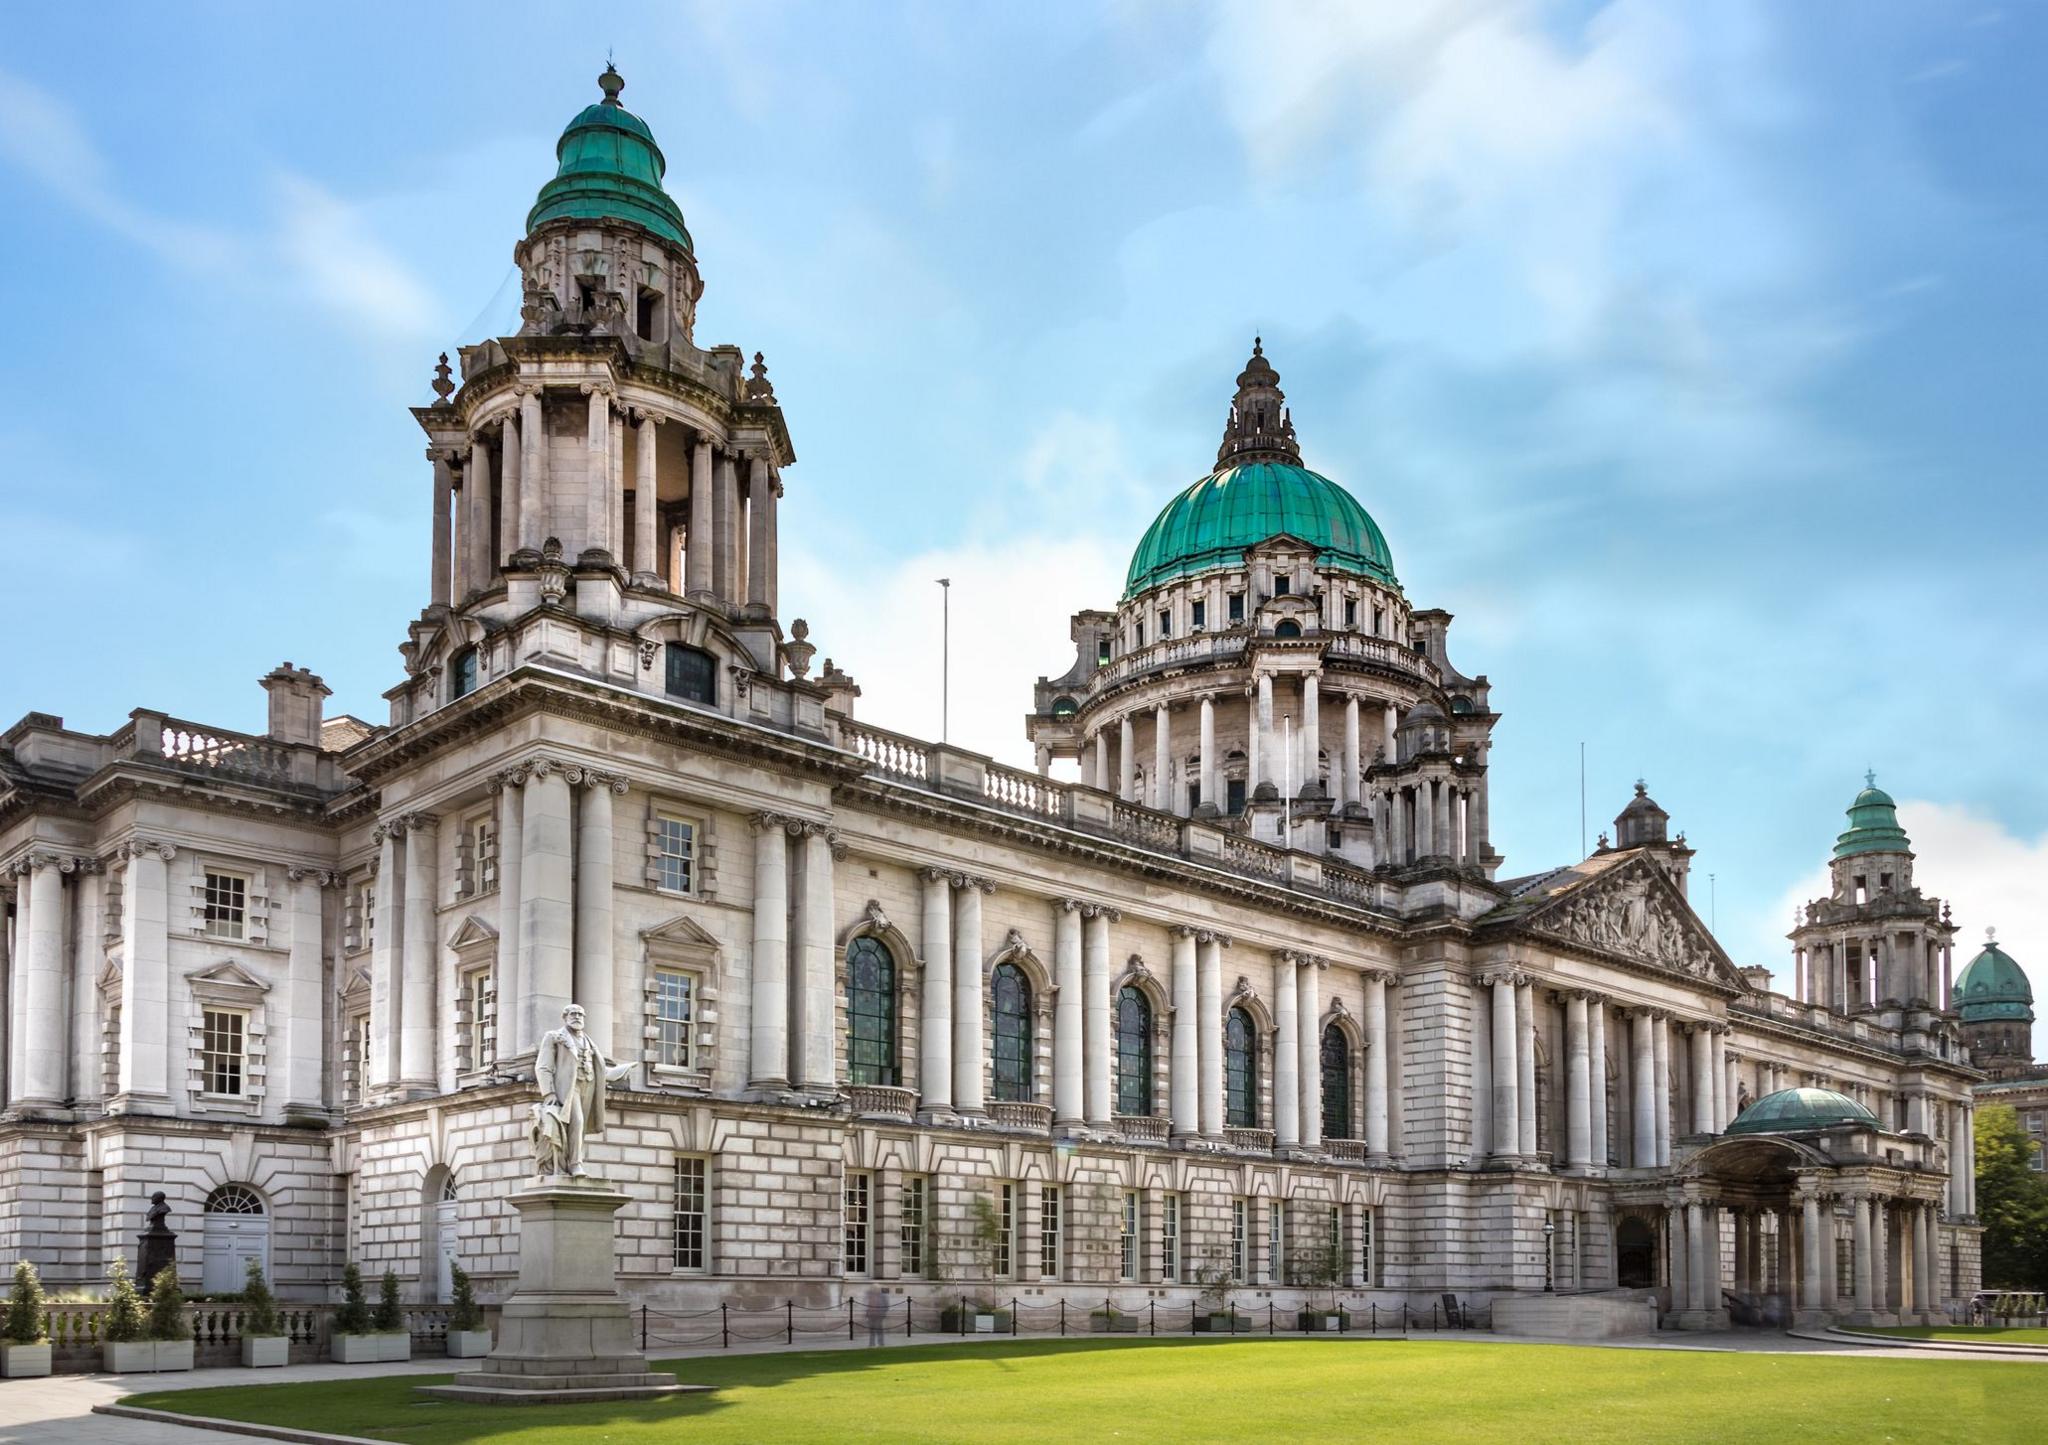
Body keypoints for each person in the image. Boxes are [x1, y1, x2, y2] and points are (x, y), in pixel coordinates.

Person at [532, 1003, 635, 1177]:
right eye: (572, 1014)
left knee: (580, 1128)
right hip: (569, 1088)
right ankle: (575, 1164)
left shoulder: (589, 1042)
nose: (577, 1017)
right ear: (565, 1017)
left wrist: (620, 1071)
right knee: (577, 1121)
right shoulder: (554, 1037)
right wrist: (549, 1093)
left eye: (580, 1014)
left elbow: (598, 1069)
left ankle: (573, 1160)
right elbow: (542, 1067)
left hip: (589, 1086)